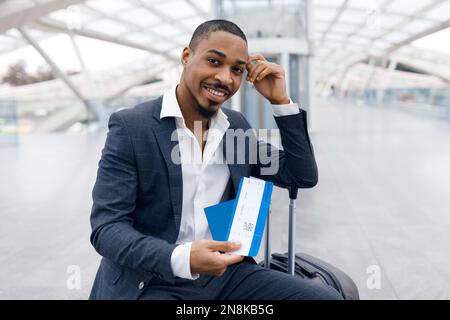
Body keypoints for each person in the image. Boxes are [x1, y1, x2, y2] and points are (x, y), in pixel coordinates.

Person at [89, 19, 342, 300]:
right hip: (153, 278)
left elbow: (301, 175)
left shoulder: (234, 128)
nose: (225, 78)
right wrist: (182, 257)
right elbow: (107, 228)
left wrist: (281, 102)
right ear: (187, 56)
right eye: (213, 61)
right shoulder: (132, 126)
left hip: (226, 276)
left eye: (236, 69)